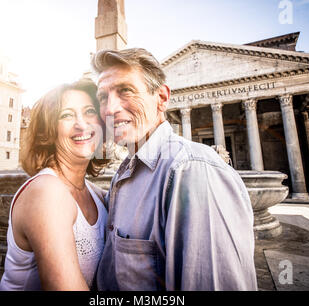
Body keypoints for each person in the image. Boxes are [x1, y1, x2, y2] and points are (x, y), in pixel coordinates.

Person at [92, 48, 258, 291]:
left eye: (125, 90)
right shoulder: (126, 170)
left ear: (161, 98)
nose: (109, 109)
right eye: (103, 97)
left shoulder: (192, 170)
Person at [0, 80, 109, 290]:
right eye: (66, 115)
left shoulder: (93, 193)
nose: (82, 124)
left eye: (89, 111)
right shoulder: (46, 192)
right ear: (47, 131)